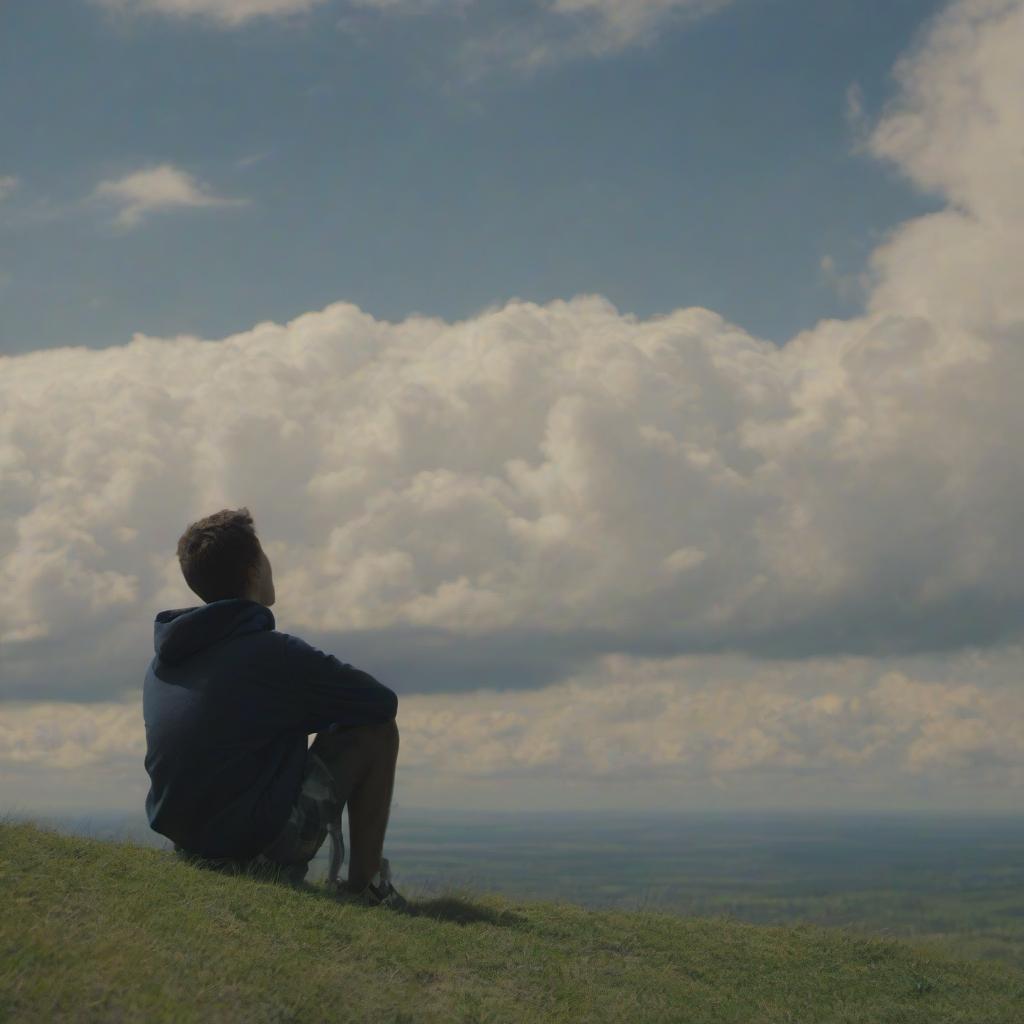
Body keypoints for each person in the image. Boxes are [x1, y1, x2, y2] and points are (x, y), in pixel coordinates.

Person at [143, 506, 406, 907]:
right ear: (253, 571)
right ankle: (366, 890)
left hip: (188, 847)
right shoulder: (274, 655)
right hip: (256, 844)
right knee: (377, 731)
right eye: (264, 555)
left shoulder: (167, 658)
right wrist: (306, 712)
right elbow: (380, 702)